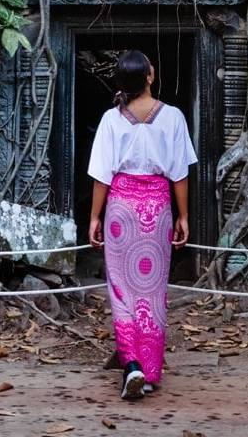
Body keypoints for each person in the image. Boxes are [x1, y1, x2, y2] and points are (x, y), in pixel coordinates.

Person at [86, 49, 197, 400]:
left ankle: (130, 363)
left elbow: (102, 175)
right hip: (157, 209)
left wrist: (94, 217)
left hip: (120, 209)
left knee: (121, 289)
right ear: (149, 76)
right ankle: (148, 373)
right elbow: (179, 173)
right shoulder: (174, 117)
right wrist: (183, 216)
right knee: (152, 291)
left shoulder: (110, 120)